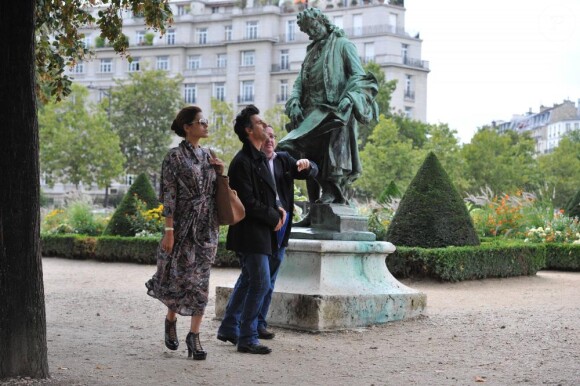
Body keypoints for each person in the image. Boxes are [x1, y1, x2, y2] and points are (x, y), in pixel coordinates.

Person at [216, 125, 318, 343]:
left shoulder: (283, 159)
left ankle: (255, 324)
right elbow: (247, 201)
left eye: (273, 136)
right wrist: (272, 216)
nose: (270, 140)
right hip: (260, 228)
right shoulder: (249, 163)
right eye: (266, 137)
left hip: (280, 228)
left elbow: (311, 172)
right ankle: (240, 327)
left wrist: (307, 165)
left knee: (265, 280)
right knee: (256, 279)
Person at [278, 7, 379, 225]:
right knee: (295, 150)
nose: (311, 33)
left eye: (313, 27)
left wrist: (349, 98)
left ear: (322, 21)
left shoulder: (343, 45)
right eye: (307, 31)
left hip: (334, 113)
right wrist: (294, 100)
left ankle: (331, 196)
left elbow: (360, 76)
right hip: (310, 113)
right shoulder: (311, 51)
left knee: (328, 155)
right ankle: (314, 208)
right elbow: (299, 82)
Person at [146, 106, 224, 361]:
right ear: (187, 126)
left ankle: (194, 336)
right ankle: (171, 319)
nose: (206, 125)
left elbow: (216, 193)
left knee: (201, 281)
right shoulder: (174, 157)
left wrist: (221, 173)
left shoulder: (209, 155)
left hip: (206, 226)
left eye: (206, 122)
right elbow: (169, 195)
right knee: (179, 278)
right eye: (201, 122)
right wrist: (169, 231)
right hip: (182, 225)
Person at [215, 106, 286, 355]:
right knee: (260, 283)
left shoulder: (257, 158)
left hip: (259, 232)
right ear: (248, 131)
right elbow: (247, 201)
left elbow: (264, 197)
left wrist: (277, 209)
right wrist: (273, 215)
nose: (264, 125)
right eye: (259, 122)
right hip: (250, 233)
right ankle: (247, 337)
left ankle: (228, 328)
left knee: (249, 281)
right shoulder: (243, 161)